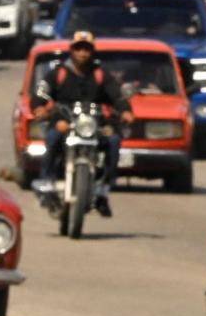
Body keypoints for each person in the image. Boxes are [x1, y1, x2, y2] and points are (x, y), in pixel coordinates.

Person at [32, 30, 132, 216]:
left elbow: (116, 95)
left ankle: (104, 189)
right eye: (79, 49)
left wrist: (126, 110)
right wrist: (39, 107)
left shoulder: (101, 75)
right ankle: (46, 180)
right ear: (72, 50)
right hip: (65, 122)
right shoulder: (59, 73)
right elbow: (41, 92)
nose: (82, 53)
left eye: (86, 49)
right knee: (53, 136)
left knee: (113, 140)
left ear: (92, 51)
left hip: (92, 125)